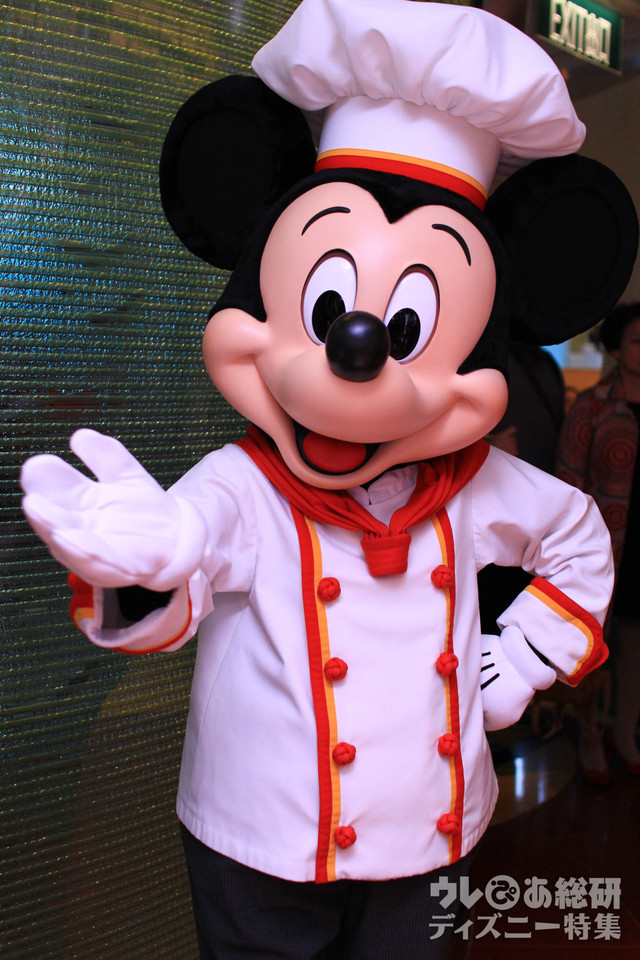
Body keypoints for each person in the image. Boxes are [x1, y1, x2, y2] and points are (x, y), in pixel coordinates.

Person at [557, 303, 640, 781]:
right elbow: (568, 484)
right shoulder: (592, 407)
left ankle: (624, 731)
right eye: (636, 341)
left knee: (636, 646)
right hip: (605, 545)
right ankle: (589, 734)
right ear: (615, 348)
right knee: (592, 645)